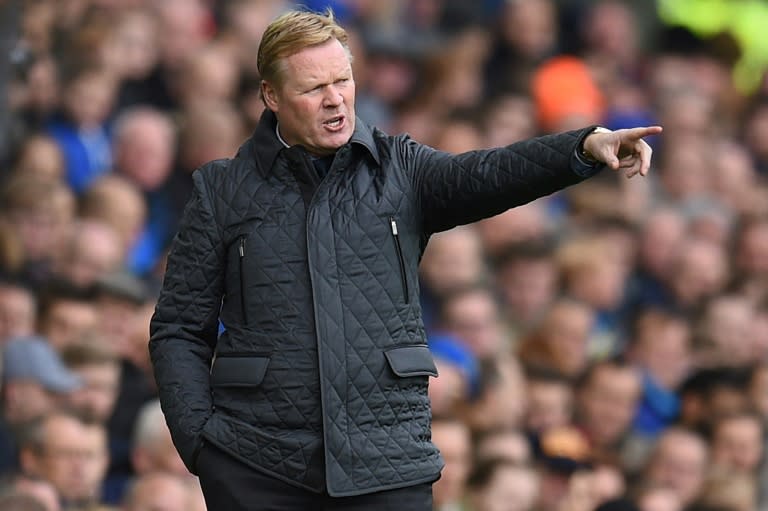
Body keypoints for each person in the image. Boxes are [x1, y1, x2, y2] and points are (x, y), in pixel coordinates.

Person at [148, 9, 661, 510]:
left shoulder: (401, 167)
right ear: (271, 96)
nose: (335, 101)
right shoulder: (221, 189)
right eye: (313, 89)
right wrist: (202, 444)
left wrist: (583, 148)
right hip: (256, 467)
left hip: (388, 465)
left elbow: (489, 174)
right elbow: (178, 328)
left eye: (342, 81)